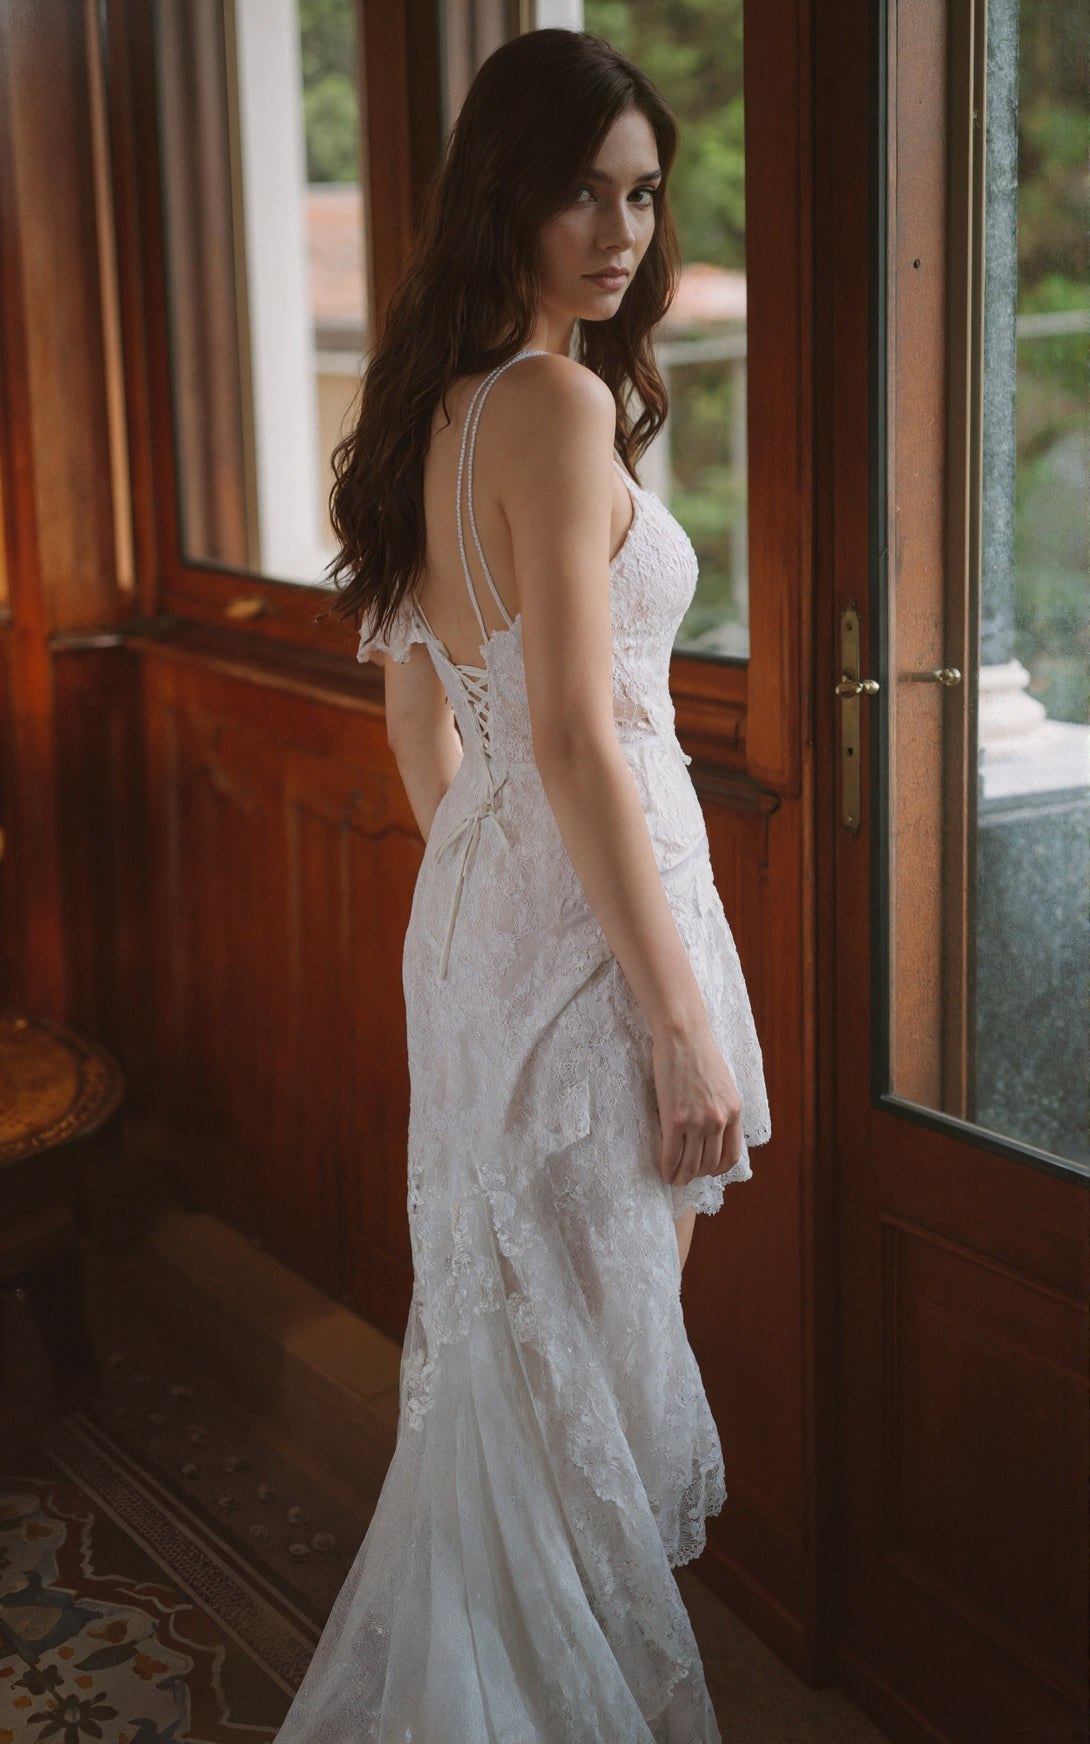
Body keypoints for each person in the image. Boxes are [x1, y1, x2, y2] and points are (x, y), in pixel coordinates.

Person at [276, 28, 769, 1743]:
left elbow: (422, 705)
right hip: (585, 945)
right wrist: (671, 1011)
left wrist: (480, 894)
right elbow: (567, 735)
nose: (619, 230)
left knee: (522, 1358)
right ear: (505, 191)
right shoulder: (550, 403)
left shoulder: (432, 407)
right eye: (579, 190)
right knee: (590, 1379)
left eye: (640, 193)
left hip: (500, 920)